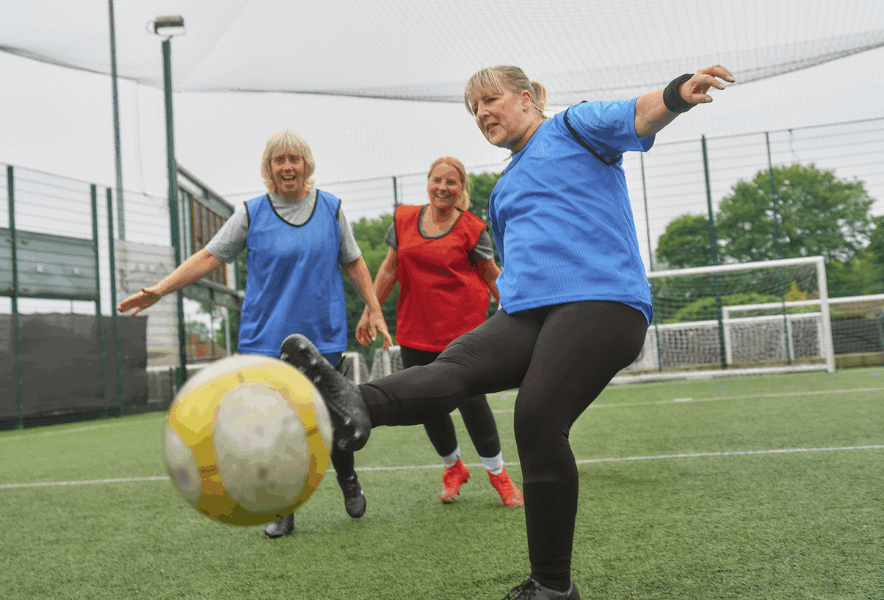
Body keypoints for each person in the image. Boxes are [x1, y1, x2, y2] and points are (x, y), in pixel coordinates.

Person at [281, 64, 734, 599]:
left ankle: (552, 587)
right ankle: (353, 405)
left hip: (603, 302)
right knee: (452, 366)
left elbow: (637, 114)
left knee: (537, 416)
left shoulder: (574, 127)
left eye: (490, 100)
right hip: (528, 313)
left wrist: (676, 94)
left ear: (528, 98)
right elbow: (513, 270)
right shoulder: (504, 188)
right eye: (474, 109)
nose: (482, 114)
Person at [117, 129, 392, 539]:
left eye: (294, 159)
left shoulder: (331, 208)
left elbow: (353, 262)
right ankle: (283, 506)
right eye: (278, 161)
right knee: (274, 429)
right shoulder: (251, 213)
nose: (287, 167)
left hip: (323, 335)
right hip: (266, 340)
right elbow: (209, 256)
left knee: (335, 423)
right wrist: (161, 287)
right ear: (269, 169)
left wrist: (373, 307)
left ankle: (348, 480)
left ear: (306, 165)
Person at [357, 156, 522, 507]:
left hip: (464, 336)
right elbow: (388, 271)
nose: (442, 188)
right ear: (428, 183)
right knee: (428, 405)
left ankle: (499, 475)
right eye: (437, 180)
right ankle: (453, 468)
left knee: (473, 404)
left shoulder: (472, 228)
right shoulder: (403, 221)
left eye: (451, 182)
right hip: (416, 332)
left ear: (461, 189)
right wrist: (370, 311)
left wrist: (518, 312)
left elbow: (493, 276)